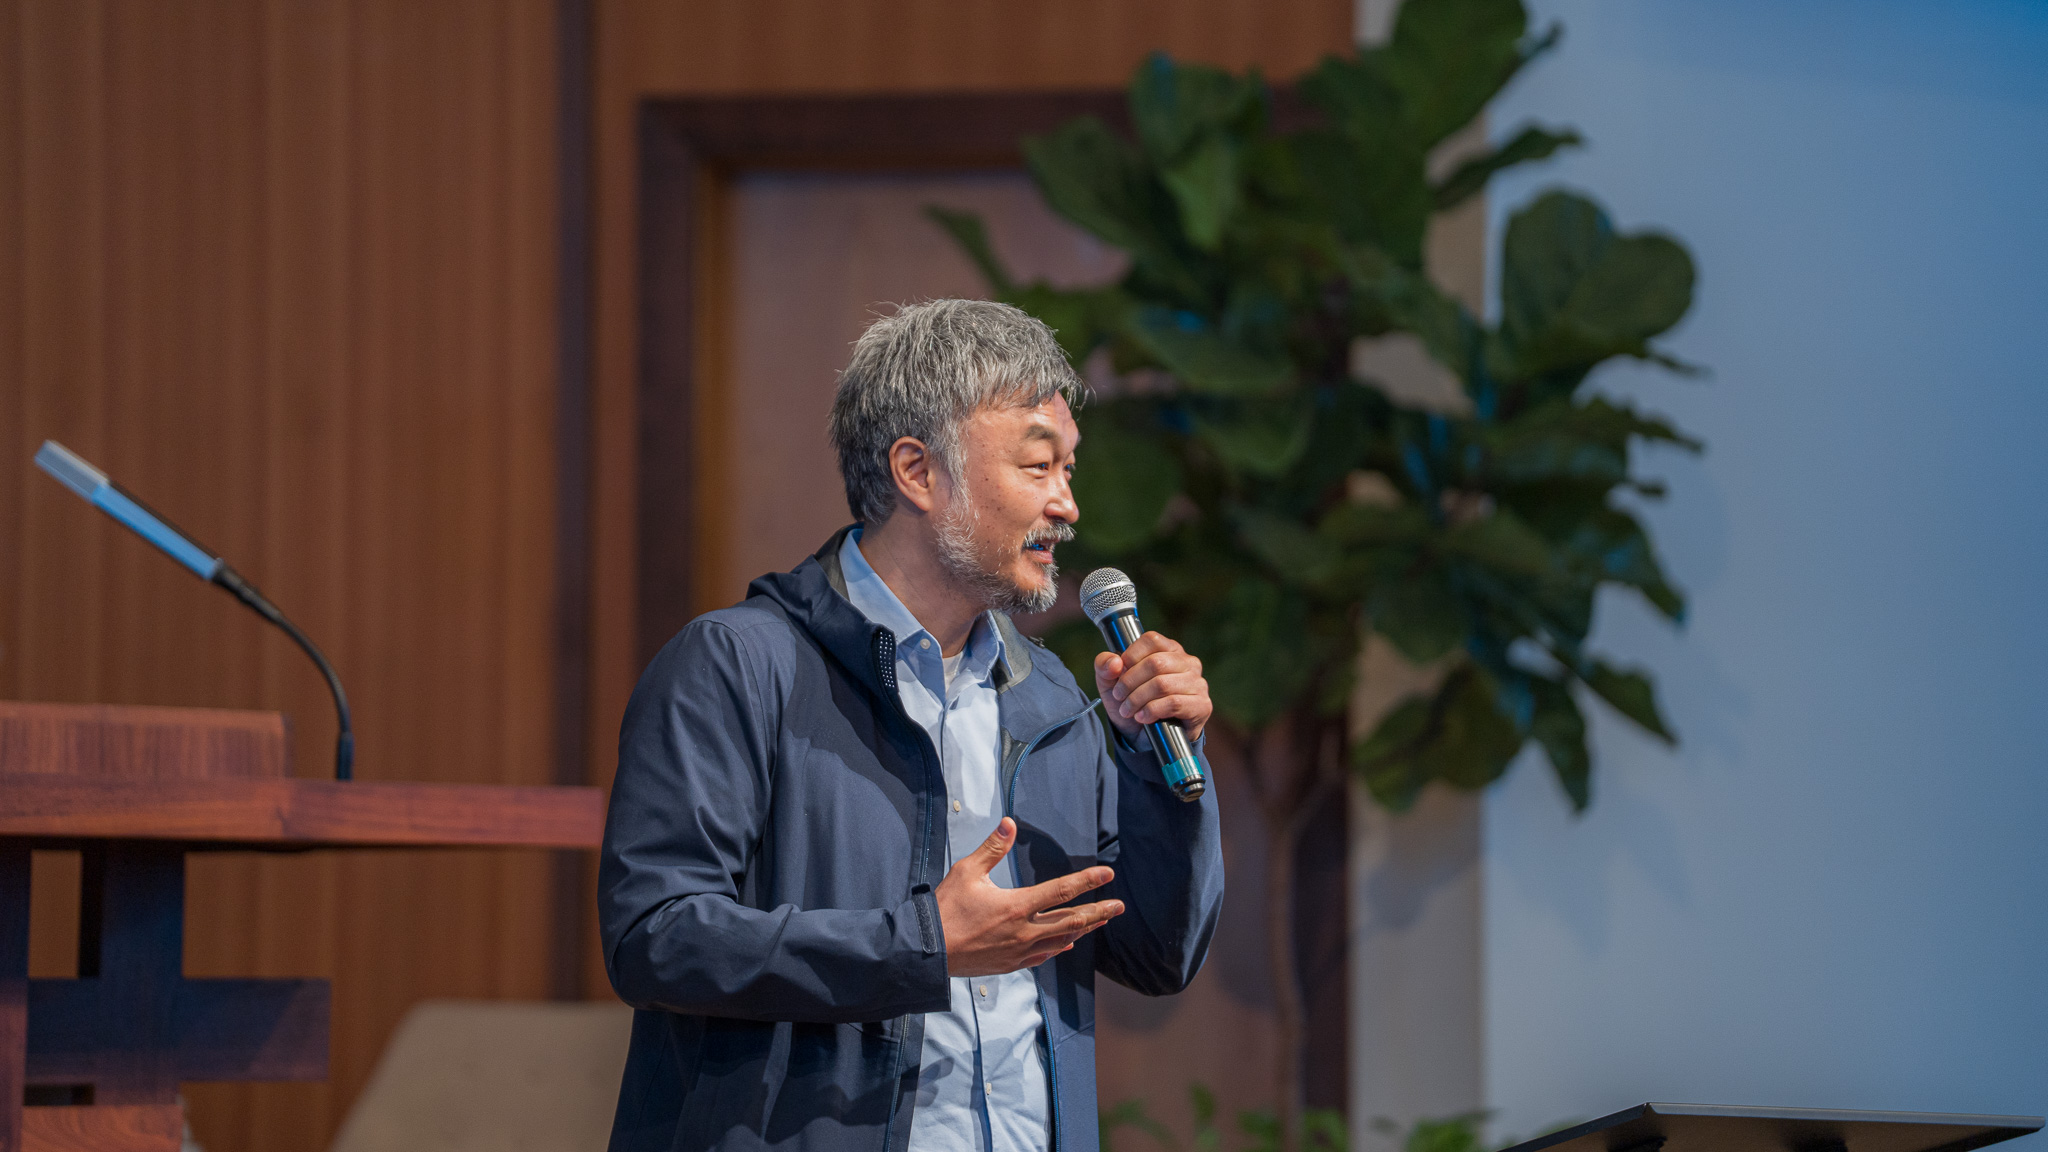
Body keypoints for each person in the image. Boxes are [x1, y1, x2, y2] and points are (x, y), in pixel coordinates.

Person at [599, 299, 1225, 1152]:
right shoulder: (737, 665)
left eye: (1068, 470)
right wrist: (922, 944)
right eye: (1038, 466)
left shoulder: (1047, 697)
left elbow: (1157, 953)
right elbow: (655, 938)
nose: (1067, 504)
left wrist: (1158, 760)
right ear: (918, 472)